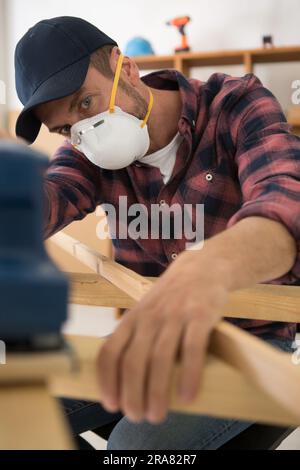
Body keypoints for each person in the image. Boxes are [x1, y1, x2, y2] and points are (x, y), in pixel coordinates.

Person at [10, 16, 300, 449]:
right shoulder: (87, 157)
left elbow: (285, 202)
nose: (84, 134)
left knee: (131, 448)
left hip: (249, 341)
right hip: (156, 334)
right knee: (21, 405)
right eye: (66, 130)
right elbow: (48, 197)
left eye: (86, 105)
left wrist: (209, 269)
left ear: (123, 67)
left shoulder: (235, 104)